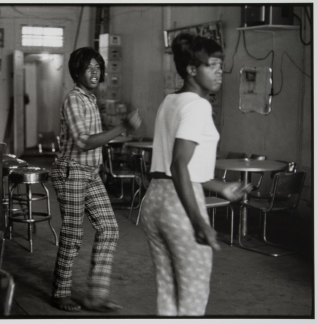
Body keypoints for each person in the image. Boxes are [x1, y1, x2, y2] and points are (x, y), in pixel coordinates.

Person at [140, 33, 251, 316]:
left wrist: (221, 187)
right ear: (191, 70)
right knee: (192, 298)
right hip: (180, 205)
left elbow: (172, 167)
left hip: (154, 201)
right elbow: (179, 166)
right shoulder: (199, 105)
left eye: (219, 65)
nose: (219, 72)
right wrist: (198, 220)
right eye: (211, 65)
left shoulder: (171, 101)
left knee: (168, 291)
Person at [50, 47, 142, 312]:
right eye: (88, 68)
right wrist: (122, 127)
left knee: (110, 229)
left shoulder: (90, 99)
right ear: (77, 72)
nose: (94, 72)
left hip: (89, 173)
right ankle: (60, 292)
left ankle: (95, 296)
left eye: (98, 68)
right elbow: (84, 142)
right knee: (73, 233)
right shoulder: (74, 100)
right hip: (71, 170)